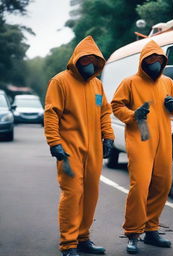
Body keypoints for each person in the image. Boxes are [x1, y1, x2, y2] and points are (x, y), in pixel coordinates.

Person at [111, 40, 173, 254]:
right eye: (151, 60)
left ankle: (151, 229)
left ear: (163, 62)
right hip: (140, 136)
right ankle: (133, 233)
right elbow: (116, 105)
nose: (154, 63)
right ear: (143, 61)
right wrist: (133, 115)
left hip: (163, 139)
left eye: (158, 60)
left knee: (163, 183)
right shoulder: (130, 82)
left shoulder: (168, 83)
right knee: (140, 185)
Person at [44, 35, 115, 256]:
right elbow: (51, 114)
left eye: (93, 60)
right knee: (72, 194)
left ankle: (83, 238)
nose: (89, 64)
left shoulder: (97, 85)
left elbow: (104, 112)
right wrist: (54, 143)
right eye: (85, 60)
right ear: (77, 60)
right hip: (69, 150)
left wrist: (109, 136)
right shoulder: (60, 82)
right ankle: (68, 244)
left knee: (90, 195)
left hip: (93, 149)